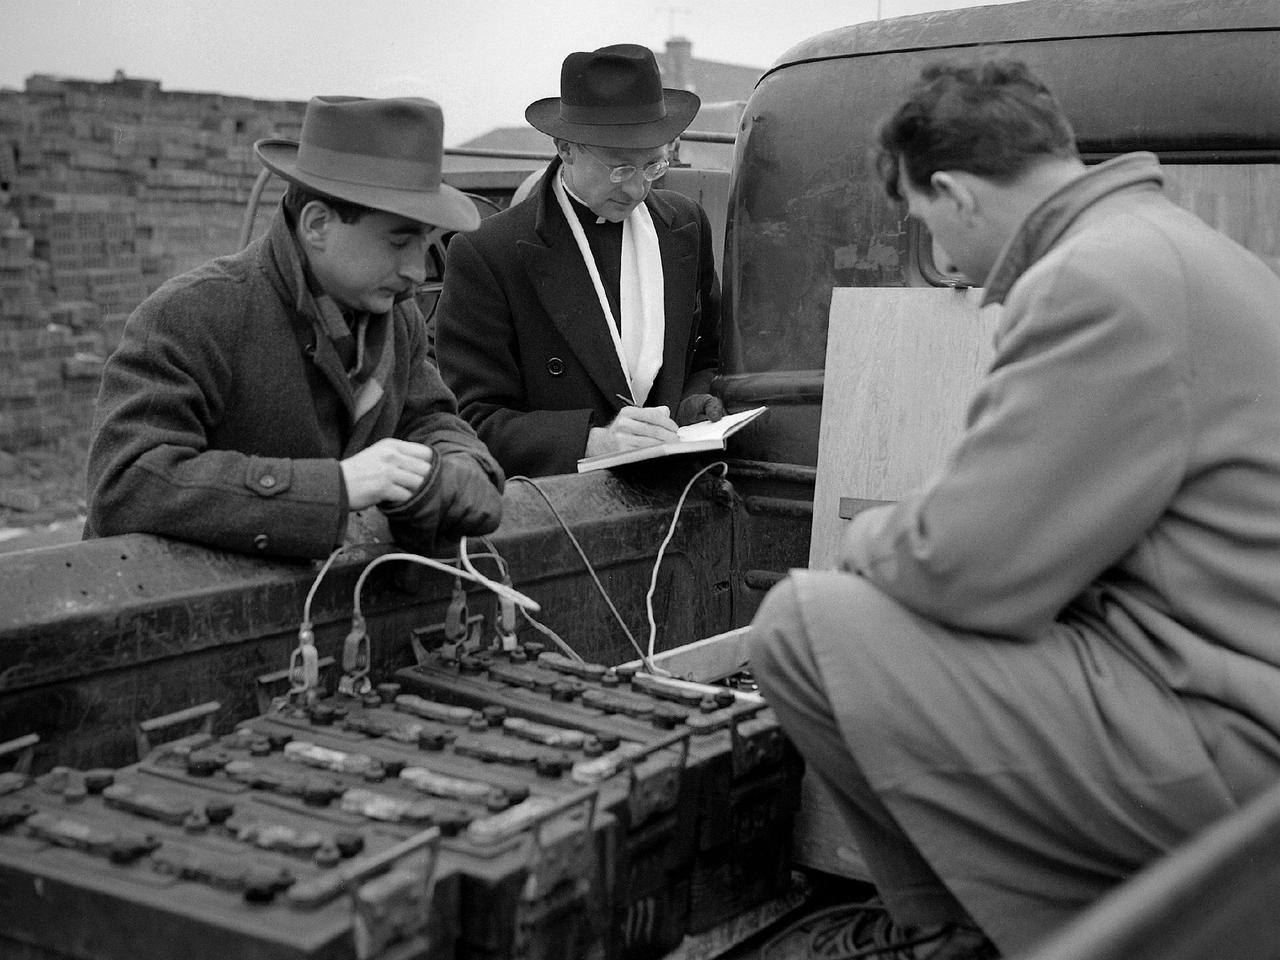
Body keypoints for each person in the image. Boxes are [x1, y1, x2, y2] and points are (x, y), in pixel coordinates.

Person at [749, 57, 1280, 958]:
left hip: (1232, 751)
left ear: (952, 194)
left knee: (805, 621)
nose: (949, 264)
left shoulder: (1096, 279)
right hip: (1231, 688)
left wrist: (873, 535)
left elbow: (965, 572)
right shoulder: (1180, 248)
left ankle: (952, 930)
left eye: (923, 222)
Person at [85, 96, 504, 559]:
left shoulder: (395, 318)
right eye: (399, 242)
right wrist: (336, 487)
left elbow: (427, 417)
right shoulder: (191, 314)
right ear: (318, 224)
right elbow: (126, 484)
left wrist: (462, 459)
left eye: (424, 245)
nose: (416, 272)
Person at [433, 43, 723, 477]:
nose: (637, 189)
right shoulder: (488, 253)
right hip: (567, 510)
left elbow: (707, 357)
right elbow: (470, 420)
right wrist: (594, 441)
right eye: (619, 168)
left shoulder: (686, 224)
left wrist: (695, 406)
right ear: (565, 148)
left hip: (678, 490)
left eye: (654, 167)